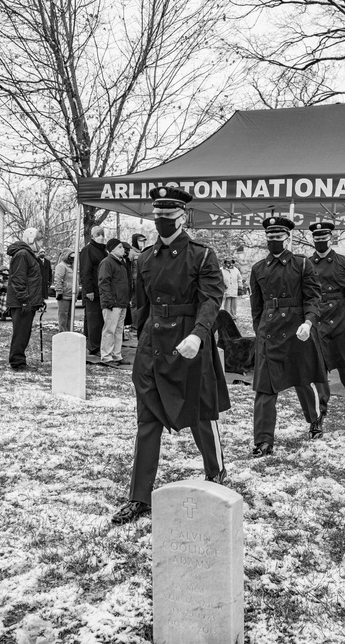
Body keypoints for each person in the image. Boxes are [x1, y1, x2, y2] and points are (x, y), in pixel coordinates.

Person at [110, 186, 230, 525]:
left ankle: (216, 473)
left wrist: (198, 334)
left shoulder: (202, 255)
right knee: (147, 421)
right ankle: (139, 496)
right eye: (157, 216)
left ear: (182, 217)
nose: (161, 222)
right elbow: (142, 303)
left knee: (200, 414)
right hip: (153, 345)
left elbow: (211, 299)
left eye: (168, 217)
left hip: (188, 340)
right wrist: (138, 334)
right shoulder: (146, 258)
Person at [249, 215, 328, 455]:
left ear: (288, 238)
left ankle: (315, 418)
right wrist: (260, 330)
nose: (274, 241)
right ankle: (263, 440)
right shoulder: (258, 268)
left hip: (297, 329)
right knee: (264, 388)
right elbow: (256, 305)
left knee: (302, 379)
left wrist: (308, 321)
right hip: (269, 331)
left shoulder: (302, 264)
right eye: (270, 237)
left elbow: (313, 297)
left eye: (278, 237)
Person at [307, 221, 345, 410]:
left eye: (324, 239)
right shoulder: (306, 264)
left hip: (341, 315)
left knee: (344, 359)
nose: (321, 242)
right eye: (317, 239)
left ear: (331, 239)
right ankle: (322, 403)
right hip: (317, 315)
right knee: (319, 360)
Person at [6, 227, 44, 370]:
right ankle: (17, 362)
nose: (40, 242)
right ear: (30, 239)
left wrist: (38, 299)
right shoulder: (22, 254)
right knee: (20, 333)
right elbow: (18, 279)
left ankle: (19, 359)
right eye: (38, 238)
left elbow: (32, 280)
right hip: (21, 302)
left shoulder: (29, 255)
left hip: (28, 301)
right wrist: (24, 300)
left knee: (24, 332)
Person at [98, 238, 131, 366]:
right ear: (112, 249)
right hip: (113, 303)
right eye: (120, 247)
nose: (122, 249)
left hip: (121, 302)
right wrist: (109, 301)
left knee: (118, 330)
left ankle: (116, 355)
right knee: (109, 330)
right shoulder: (107, 263)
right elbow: (103, 282)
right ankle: (106, 356)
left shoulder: (120, 263)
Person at [80, 225, 108, 357]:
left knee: (98, 319)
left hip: (101, 291)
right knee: (93, 319)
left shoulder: (103, 251)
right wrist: (88, 290)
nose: (101, 237)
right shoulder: (88, 250)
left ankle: (96, 343)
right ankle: (93, 346)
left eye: (102, 234)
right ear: (92, 236)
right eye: (98, 234)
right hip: (93, 291)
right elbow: (85, 272)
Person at [54, 247, 75, 331]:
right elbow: (58, 279)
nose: (72, 259)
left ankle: (69, 332)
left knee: (70, 316)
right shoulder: (61, 266)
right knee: (63, 316)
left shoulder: (72, 267)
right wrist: (59, 291)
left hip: (71, 295)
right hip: (64, 295)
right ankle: (62, 333)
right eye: (71, 257)